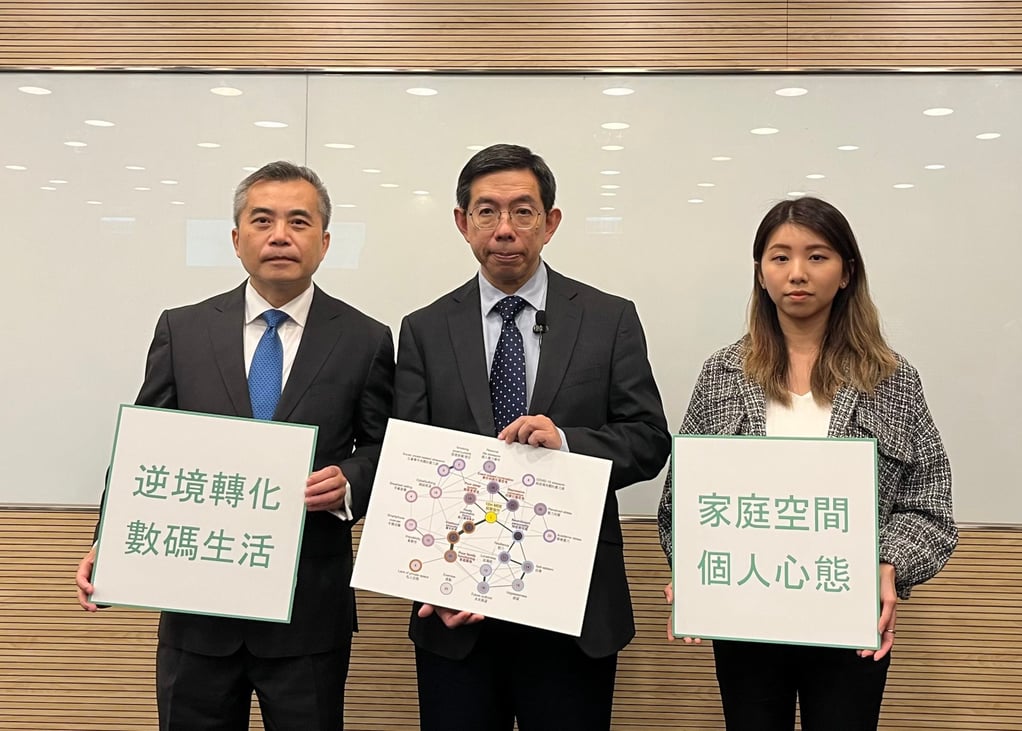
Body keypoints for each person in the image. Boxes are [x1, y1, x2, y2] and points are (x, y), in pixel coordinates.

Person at [75, 161, 395, 731]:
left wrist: (351, 480)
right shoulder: (183, 329)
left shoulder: (366, 339)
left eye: (299, 222)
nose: (279, 235)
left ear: (324, 243)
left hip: (307, 613)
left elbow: (383, 446)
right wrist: (112, 539)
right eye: (262, 220)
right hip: (197, 612)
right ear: (235, 239)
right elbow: (144, 445)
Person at [394, 143, 670, 731]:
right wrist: (434, 579)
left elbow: (649, 439)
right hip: (457, 607)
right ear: (462, 223)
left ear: (551, 222)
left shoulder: (609, 318)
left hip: (573, 611)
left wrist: (568, 444)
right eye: (486, 211)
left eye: (523, 211)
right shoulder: (422, 330)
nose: (504, 228)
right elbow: (409, 467)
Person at [657, 196, 957, 731]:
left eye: (817, 257)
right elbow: (681, 502)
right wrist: (694, 568)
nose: (797, 273)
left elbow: (929, 507)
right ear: (761, 274)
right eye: (780, 258)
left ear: (846, 273)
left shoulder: (890, 378)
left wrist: (887, 565)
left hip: (847, 614)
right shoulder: (724, 372)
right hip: (746, 617)